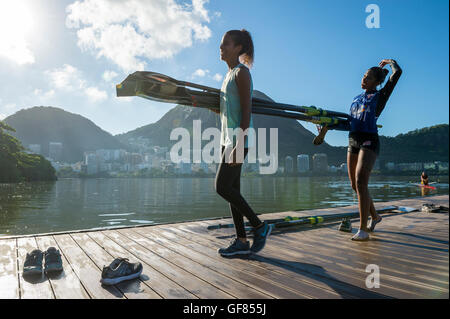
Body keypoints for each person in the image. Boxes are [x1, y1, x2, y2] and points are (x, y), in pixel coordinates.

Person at [314, 59, 402, 240]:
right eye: (363, 76)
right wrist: (325, 129)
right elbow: (349, 123)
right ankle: (375, 217)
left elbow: (397, 73)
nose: (364, 80)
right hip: (353, 140)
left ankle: (363, 229)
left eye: (368, 78)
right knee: (355, 185)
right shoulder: (356, 98)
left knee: (361, 182)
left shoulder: (380, 96)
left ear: (377, 82)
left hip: (369, 140)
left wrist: (390, 62)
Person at [211, 29, 273, 256]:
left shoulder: (241, 73)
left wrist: (239, 142)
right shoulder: (227, 76)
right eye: (221, 44)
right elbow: (230, 109)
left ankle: (259, 226)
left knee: (221, 187)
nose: (221, 47)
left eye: (225, 44)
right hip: (226, 139)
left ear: (238, 48)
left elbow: (247, 109)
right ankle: (241, 240)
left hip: (238, 139)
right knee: (232, 189)